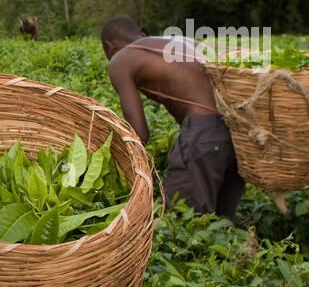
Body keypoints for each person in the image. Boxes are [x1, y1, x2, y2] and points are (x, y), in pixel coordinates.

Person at [101, 15, 245, 219]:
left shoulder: (121, 60)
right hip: (237, 136)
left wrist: (106, 160)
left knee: (183, 222)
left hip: (203, 136)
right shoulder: (178, 44)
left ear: (110, 46)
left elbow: (139, 134)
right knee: (221, 226)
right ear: (141, 34)